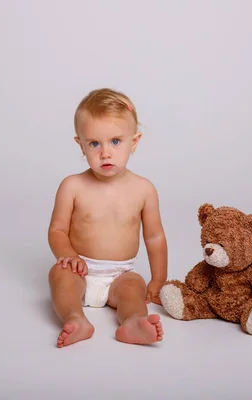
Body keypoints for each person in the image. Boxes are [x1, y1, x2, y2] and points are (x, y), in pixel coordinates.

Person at [47, 88, 168, 348]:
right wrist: (69, 255)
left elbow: (155, 237)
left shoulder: (143, 189)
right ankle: (75, 318)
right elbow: (57, 230)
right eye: (94, 143)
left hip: (120, 274)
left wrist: (158, 279)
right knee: (59, 276)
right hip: (80, 268)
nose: (105, 153)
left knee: (133, 289)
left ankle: (134, 322)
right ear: (80, 144)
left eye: (115, 141)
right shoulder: (72, 186)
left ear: (133, 142)